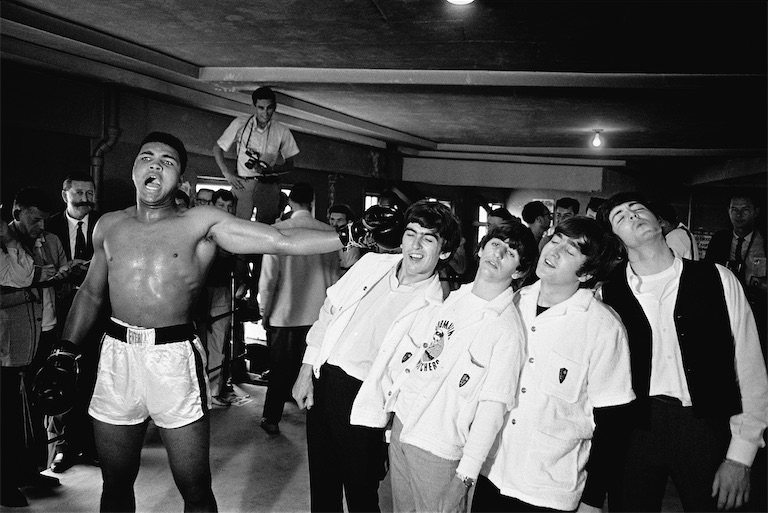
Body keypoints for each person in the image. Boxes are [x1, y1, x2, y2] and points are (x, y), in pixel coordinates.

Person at [32, 132, 401, 512]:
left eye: (168, 161)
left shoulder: (201, 222)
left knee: (194, 487)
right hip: (116, 356)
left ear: (181, 181)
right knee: (115, 483)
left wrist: (351, 235)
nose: (155, 164)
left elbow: (277, 240)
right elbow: (92, 293)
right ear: (134, 169)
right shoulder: (108, 226)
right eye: (147, 157)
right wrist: (65, 351)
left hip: (172, 358)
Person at [596, 192, 768, 512]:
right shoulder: (606, 294)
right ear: (615, 238)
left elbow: (750, 367)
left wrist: (741, 456)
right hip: (635, 428)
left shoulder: (718, 278)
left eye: (638, 209)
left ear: (659, 221)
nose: (633, 216)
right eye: (621, 217)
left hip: (706, 425)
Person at [352, 220, 537, 513]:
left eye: (511, 253)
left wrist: (464, 477)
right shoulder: (451, 298)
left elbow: (493, 409)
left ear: (518, 271)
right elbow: (416, 362)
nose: (498, 254)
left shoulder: (506, 330)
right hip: (403, 429)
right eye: (496, 244)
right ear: (481, 248)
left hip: (440, 450)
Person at [292, 199, 462, 512]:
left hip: (365, 400)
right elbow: (329, 311)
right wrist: (306, 370)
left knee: (362, 495)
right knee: (323, 487)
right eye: (411, 234)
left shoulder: (437, 309)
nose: (416, 245)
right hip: (324, 380)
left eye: (428, 239)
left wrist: (389, 429)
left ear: (445, 251)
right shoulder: (371, 265)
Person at [474, 216, 635, 512]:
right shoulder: (513, 301)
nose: (554, 251)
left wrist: (593, 500)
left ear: (586, 273)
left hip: (549, 489)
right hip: (491, 471)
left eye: (570, 251)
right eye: (556, 239)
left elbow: (614, 423)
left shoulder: (602, 327)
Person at [4, 188, 70, 501]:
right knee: (7, 413)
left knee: (33, 408)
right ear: (15, 213)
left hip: (37, 335)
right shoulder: (7, 247)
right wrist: (33, 288)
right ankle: (5, 483)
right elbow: (18, 284)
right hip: (7, 343)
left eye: (43, 220)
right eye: (34, 219)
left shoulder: (39, 242)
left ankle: (31, 472)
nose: (39, 225)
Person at [258, 183, 340, 435]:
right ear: (312, 203)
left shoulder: (277, 232)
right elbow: (335, 278)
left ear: (290, 203)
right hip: (318, 315)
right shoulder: (329, 232)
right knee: (314, 371)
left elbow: (268, 279)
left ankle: (271, 418)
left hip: (284, 313)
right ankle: (316, 421)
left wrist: (264, 310)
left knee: (280, 370)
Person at [44, 172, 102, 474]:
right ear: (64, 193)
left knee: (92, 379)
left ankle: (91, 446)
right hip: (58, 316)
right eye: (79, 192)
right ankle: (63, 448)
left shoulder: (105, 226)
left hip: (97, 316)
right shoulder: (49, 226)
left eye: (90, 193)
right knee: (62, 380)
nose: (85, 198)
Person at [213, 86, 300, 223]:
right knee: (237, 226)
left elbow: (290, 165)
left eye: (269, 108)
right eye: (261, 108)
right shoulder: (240, 124)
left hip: (267, 185)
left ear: (275, 107)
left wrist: (271, 170)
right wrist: (227, 174)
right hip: (243, 184)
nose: (265, 113)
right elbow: (217, 148)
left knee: (265, 228)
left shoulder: (281, 131)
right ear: (254, 106)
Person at [196, 189, 245, 407]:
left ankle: (214, 391)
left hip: (223, 288)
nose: (225, 211)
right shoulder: (198, 226)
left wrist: (244, 281)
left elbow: (241, 258)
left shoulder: (234, 230)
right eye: (221, 206)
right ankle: (198, 391)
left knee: (220, 340)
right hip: (199, 290)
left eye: (229, 207)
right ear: (212, 206)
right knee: (198, 341)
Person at [328, 203, 365, 275]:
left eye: (340, 220)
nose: (334, 223)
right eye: (332, 219)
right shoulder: (327, 236)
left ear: (349, 222)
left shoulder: (352, 241)